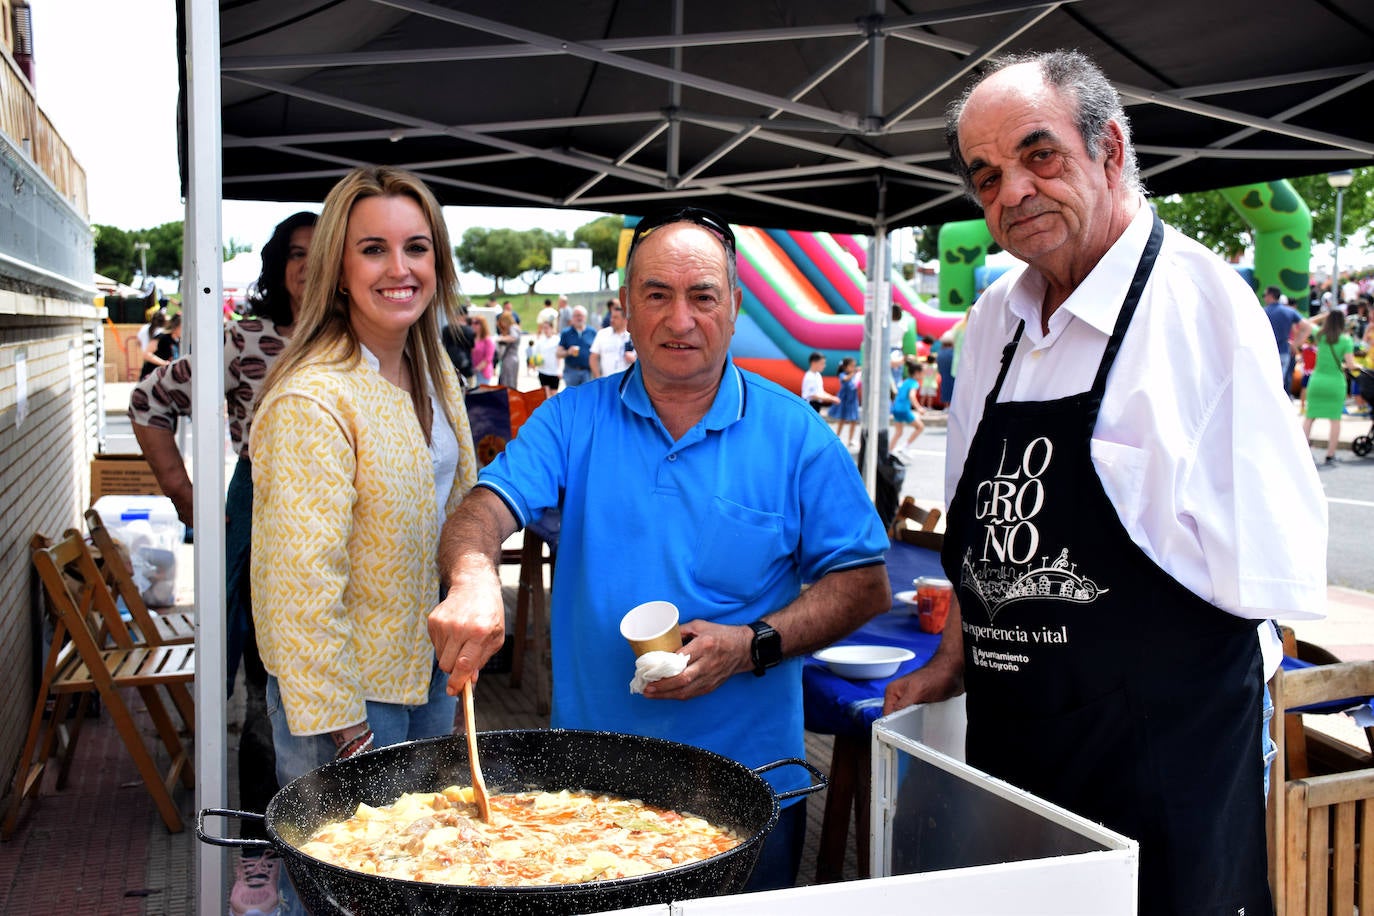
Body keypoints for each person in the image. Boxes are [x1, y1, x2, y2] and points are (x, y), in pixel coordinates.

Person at [881, 51, 1326, 916]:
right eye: (986, 177)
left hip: (1159, 763)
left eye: (1039, 156)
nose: (1013, 192)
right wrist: (951, 657)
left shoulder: (1201, 309)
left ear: (1111, 148)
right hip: (1014, 746)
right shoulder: (991, 325)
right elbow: (980, 535)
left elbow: (1273, 573)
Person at [427, 206, 890, 893]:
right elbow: (482, 510)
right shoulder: (571, 418)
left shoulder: (796, 435)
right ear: (624, 309)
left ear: (733, 306)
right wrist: (471, 577)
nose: (680, 320)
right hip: (587, 786)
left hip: (750, 790)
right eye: (657, 295)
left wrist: (751, 644)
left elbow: (863, 584)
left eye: (702, 296)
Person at [249, 167, 478, 916]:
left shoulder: (430, 364)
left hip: (427, 679)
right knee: (337, 896)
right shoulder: (313, 397)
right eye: (373, 249)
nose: (400, 268)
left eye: (417, 247)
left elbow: (452, 502)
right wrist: (350, 738)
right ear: (339, 272)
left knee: (422, 881)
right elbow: (297, 588)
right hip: (346, 704)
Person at [129, 210, 317, 916]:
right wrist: (187, 497)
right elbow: (149, 400)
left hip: (348, 539)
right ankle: (260, 854)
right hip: (262, 528)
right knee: (269, 705)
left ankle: (327, 845)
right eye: (293, 254)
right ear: (275, 265)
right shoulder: (246, 341)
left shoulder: (361, 337)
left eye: (317, 252)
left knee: (334, 703)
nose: (305, 265)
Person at [1303, 307, 1360, 464]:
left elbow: (1306, 323)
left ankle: (1303, 453)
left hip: (1317, 381)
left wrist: (1322, 315)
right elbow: (1350, 364)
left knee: (1310, 418)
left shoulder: (1321, 335)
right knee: (1335, 420)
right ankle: (1330, 454)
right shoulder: (1346, 340)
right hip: (1335, 382)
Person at [1263, 284, 1312, 396]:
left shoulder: (1263, 312)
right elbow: (1307, 327)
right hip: (1284, 351)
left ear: (1270, 296)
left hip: (1266, 352)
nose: (1264, 298)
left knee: (1267, 384)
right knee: (1280, 383)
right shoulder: (1289, 311)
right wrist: (1295, 344)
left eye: (1264, 295)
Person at [589, 303, 636, 377]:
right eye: (611, 317)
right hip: (608, 382)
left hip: (629, 382)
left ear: (625, 319)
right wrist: (598, 377)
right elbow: (593, 357)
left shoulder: (634, 335)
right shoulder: (602, 334)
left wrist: (634, 360)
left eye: (615, 317)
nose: (611, 320)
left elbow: (645, 361)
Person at [889, 355, 925, 449]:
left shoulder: (905, 381)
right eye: (922, 373)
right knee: (920, 427)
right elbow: (912, 396)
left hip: (896, 408)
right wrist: (919, 408)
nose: (923, 375)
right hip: (904, 410)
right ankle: (904, 447)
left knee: (898, 432)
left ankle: (890, 451)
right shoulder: (914, 383)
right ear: (917, 373)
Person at [557, 305, 596, 386]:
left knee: (586, 396)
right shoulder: (566, 332)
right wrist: (568, 352)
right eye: (576, 316)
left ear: (585, 317)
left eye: (580, 315)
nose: (578, 318)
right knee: (572, 397)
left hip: (587, 372)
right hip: (571, 371)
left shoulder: (592, 332)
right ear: (572, 318)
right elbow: (558, 353)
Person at [139, 312, 180, 380]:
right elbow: (146, 354)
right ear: (176, 326)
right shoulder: (162, 338)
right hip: (152, 377)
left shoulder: (178, 341)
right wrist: (164, 363)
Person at [529, 318, 562, 396]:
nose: (546, 330)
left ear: (551, 328)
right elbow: (535, 355)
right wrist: (533, 365)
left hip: (554, 371)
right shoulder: (540, 341)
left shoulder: (557, 340)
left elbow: (559, 356)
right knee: (546, 395)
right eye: (544, 328)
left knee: (554, 395)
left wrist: (559, 369)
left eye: (547, 328)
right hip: (543, 371)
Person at [833, 356, 860, 446]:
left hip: (853, 399)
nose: (853, 368)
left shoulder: (854, 375)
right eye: (851, 366)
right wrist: (854, 372)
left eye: (854, 366)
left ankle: (850, 439)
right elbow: (845, 379)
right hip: (845, 399)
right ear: (845, 367)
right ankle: (837, 437)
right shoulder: (843, 374)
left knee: (854, 420)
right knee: (842, 419)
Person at [494, 311, 521, 388]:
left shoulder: (513, 327)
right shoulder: (513, 328)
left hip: (510, 359)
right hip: (509, 358)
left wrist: (500, 338)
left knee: (509, 382)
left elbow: (513, 337)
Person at [469, 314, 495, 385]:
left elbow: (487, 359)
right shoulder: (471, 338)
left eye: (476, 323)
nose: (473, 325)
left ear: (482, 325)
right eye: (472, 323)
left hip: (483, 373)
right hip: (471, 372)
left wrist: (476, 370)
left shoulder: (488, 340)